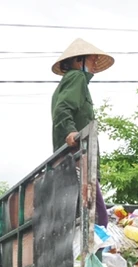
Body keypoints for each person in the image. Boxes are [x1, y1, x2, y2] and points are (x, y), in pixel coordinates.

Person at [51, 38, 114, 227]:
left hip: (74, 162)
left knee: (83, 218)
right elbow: (62, 109)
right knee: (99, 218)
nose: (95, 64)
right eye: (93, 59)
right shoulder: (76, 78)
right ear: (79, 60)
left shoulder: (70, 83)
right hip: (78, 160)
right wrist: (70, 131)